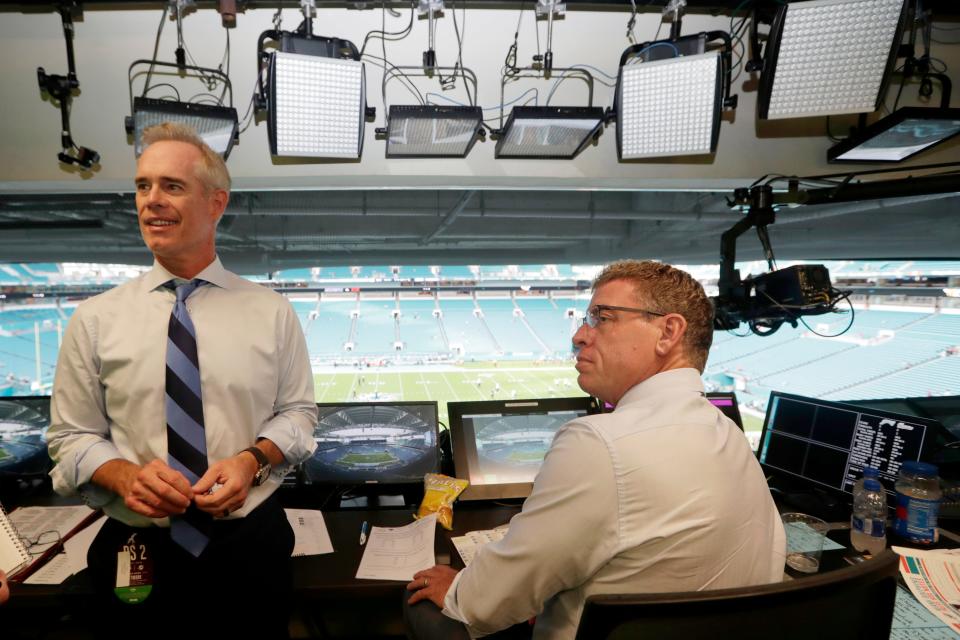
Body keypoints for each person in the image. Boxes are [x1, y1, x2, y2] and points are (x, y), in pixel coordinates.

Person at [405, 260, 785, 639]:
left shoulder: (599, 443)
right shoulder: (730, 435)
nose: (580, 336)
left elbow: (489, 601)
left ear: (668, 332)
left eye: (602, 317)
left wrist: (458, 590)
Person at [46, 123, 318, 637]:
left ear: (216, 203)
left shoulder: (271, 312)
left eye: (172, 186)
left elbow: (299, 415)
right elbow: (69, 438)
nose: (151, 201)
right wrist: (124, 476)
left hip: (250, 545)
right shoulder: (95, 319)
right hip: (138, 545)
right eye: (143, 186)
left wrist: (251, 460)